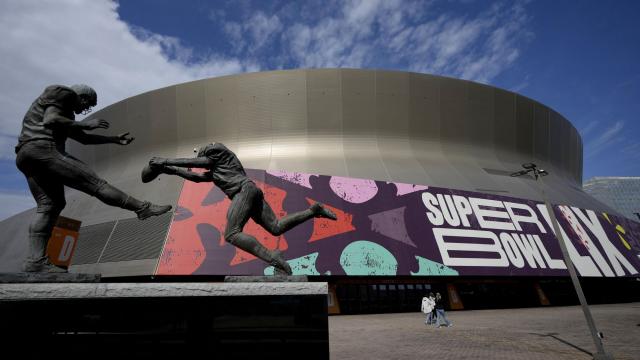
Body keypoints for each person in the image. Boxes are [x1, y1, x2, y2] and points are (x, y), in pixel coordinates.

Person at [15, 84, 173, 273]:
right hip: (43, 148)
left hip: (26, 156)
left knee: (50, 206)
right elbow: (51, 120)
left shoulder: (67, 116)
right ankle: (143, 208)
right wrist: (85, 123)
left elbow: (84, 139)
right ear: (81, 96)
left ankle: (36, 261)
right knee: (96, 184)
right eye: (88, 104)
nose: (85, 110)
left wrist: (113, 139)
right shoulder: (62, 92)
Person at [142, 142, 338, 275]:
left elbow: (199, 163)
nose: (203, 162)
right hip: (251, 191)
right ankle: (313, 211)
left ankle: (273, 257)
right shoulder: (219, 169)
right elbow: (197, 177)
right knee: (276, 227)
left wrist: (165, 160)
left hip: (243, 191)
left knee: (232, 233)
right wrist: (172, 170)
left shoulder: (217, 153)